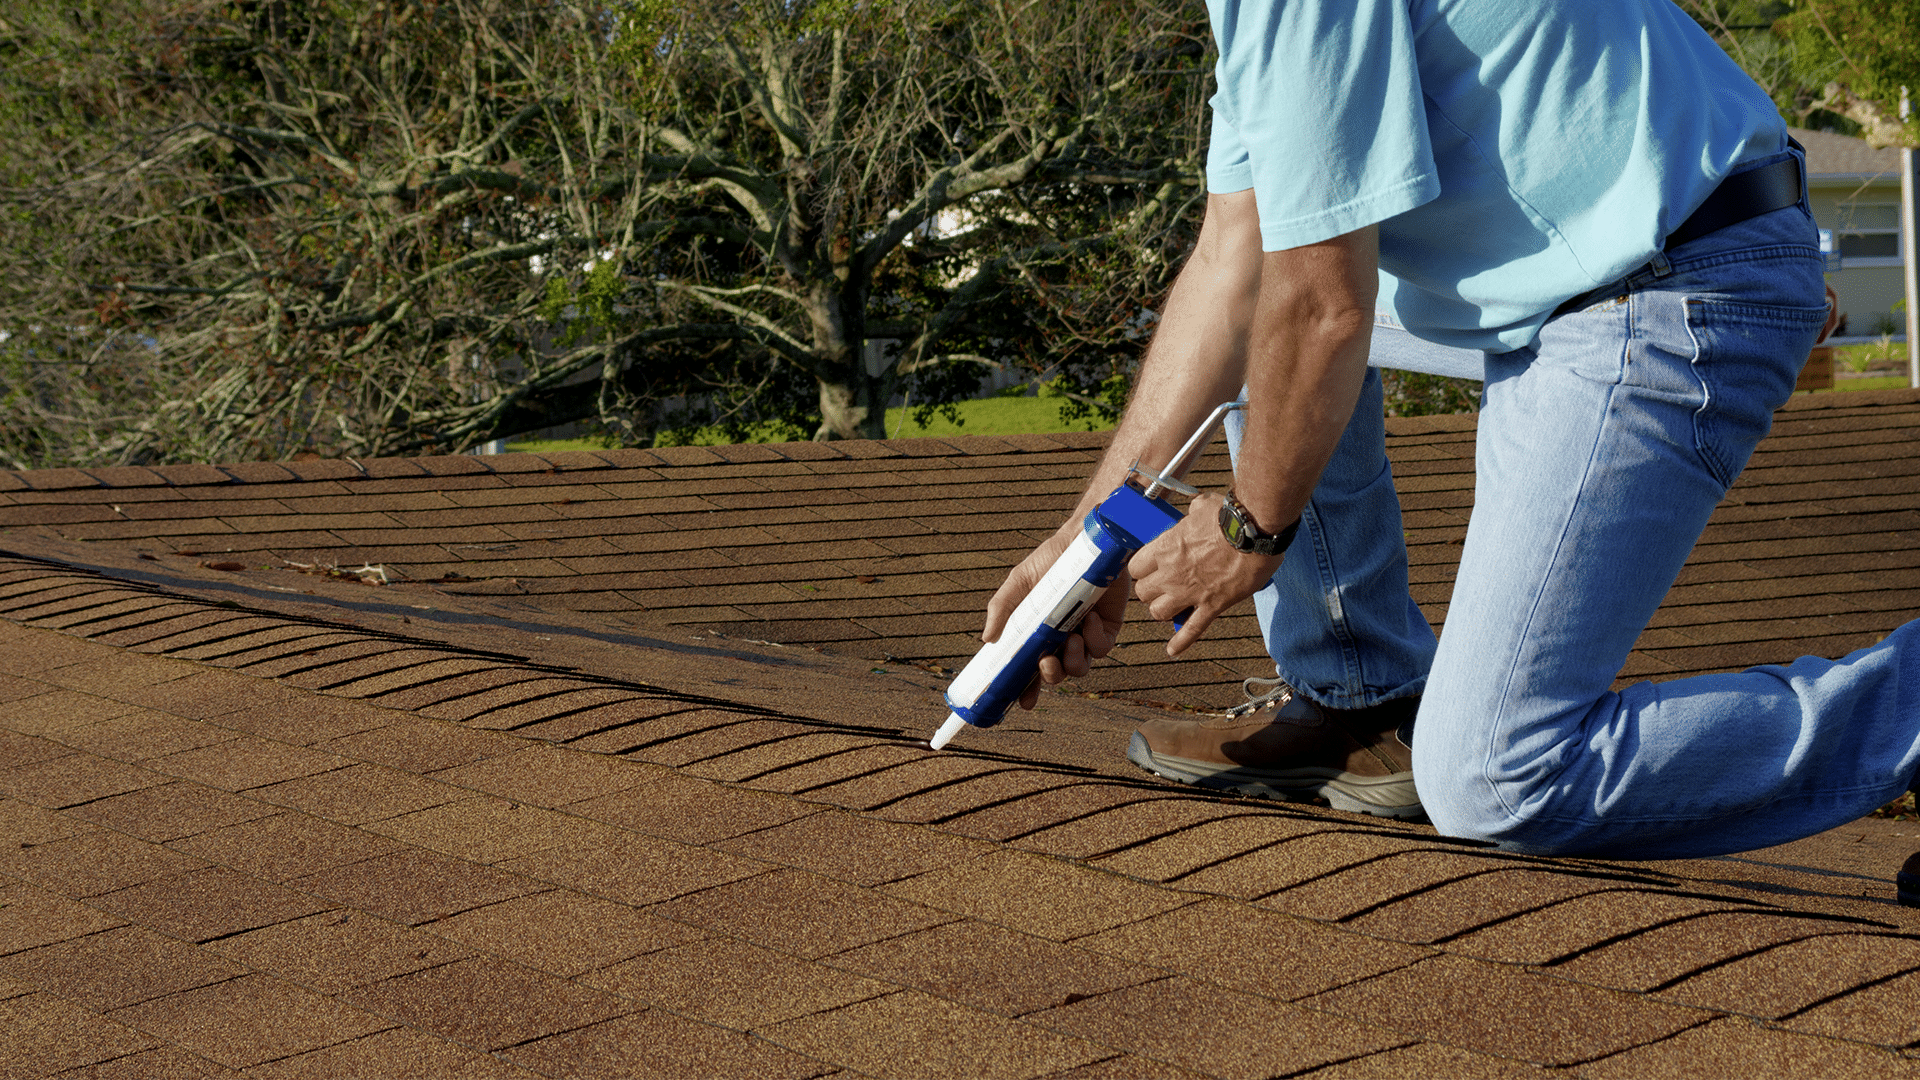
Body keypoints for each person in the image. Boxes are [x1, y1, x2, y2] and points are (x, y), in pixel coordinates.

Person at [983, 0, 1920, 859]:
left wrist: (1249, 528)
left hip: (1671, 283)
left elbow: (1321, 308)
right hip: (1592, 268)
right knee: (1278, 323)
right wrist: (1086, 540)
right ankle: (1363, 700)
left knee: (1495, 778)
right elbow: (1238, 263)